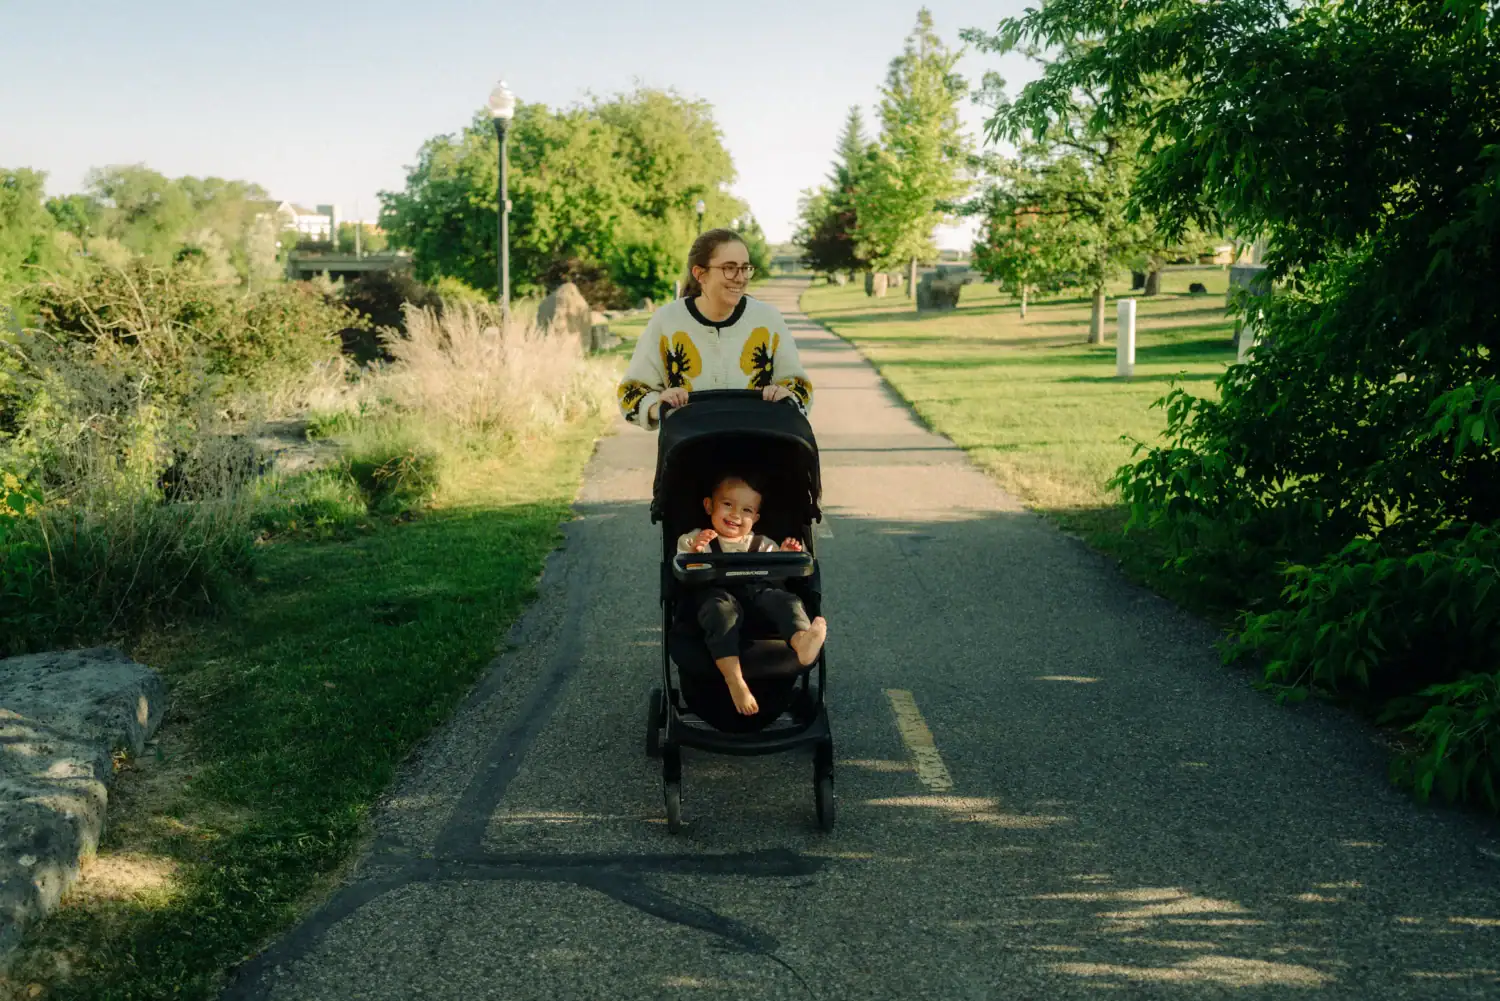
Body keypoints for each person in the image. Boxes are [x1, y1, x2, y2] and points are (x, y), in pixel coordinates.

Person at [617, 228, 813, 429]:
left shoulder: (768, 320)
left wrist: (785, 396)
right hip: (688, 453)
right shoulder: (666, 321)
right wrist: (657, 406)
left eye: (745, 268)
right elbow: (630, 393)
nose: (740, 277)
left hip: (760, 451)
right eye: (729, 268)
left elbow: (800, 388)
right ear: (700, 274)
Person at [678, 473, 828, 716]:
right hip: (716, 602)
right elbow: (684, 572)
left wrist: (783, 555)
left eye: (746, 510)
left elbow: (778, 579)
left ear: (755, 518)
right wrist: (696, 552)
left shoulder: (763, 544)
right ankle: (735, 680)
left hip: (760, 603)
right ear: (709, 506)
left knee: (786, 600)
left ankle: (802, 640)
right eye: (728, 505)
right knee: (720, 610)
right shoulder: (696, 538)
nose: (736, 515)